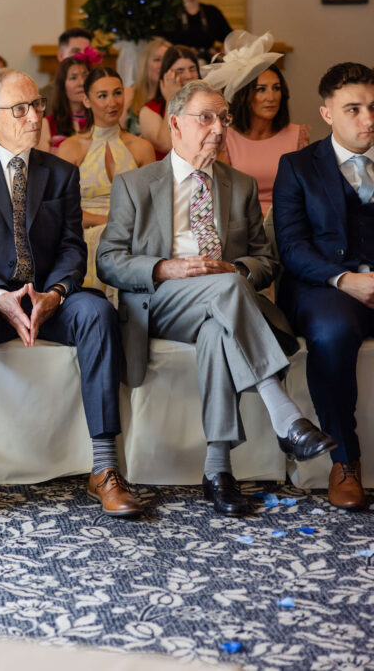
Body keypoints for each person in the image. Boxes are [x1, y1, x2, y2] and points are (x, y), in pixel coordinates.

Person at [97, 80, 336, 517]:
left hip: (223, 306)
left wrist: (238, 271)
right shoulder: (136, 183)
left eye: (224, 118)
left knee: (216, 328)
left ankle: (218, 470)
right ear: (175, 124)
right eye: (205, 117)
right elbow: (109, 261)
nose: (218, 128)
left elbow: (265, 261)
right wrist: (164, 267)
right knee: (225, 291)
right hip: (161, 300)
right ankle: (283, 412)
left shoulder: (240, 185)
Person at [0, 69, 135, 524]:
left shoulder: (61, 173)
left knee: (98, 311)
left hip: (48, 295)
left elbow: (71, 246)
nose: (33, 116)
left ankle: (104, 467)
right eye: (19, 109)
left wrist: (57, 293)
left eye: (37, 105)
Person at [273, 62, 374, 510]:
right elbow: (291, 248)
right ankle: (345, 461)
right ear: (327, 113)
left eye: (373, 107)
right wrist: (345, 279)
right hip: (324, 287)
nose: (368, 119)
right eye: (353, 109)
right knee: (331, 333)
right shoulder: (297, 166)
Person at [57, 67, 154, 303]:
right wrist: (107, 222)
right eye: (102, 96)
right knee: (101, 236)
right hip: (86, 232)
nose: (112, 102)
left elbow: (152, 205)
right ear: (86, 101)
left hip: (132, 233)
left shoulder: (141, 147)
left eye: (117, 93)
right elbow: (61, 211)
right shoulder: (72, 148)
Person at [204, 31, 309, 216]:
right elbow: (220, 196)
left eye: (276, 88)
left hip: (288, 224)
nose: (271, 97)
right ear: (245, 97)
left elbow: (306, 194)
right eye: (261, 90)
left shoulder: (297, 135)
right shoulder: (226, 139)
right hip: (240, 225)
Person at [139, 45, 200, 160]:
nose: (188, 76)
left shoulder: (206, 104)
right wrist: (171, 99)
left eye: (192, 69)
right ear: (167, 75)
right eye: (180, 71)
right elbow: (166, 145)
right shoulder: (149, 110)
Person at [164, 0, 232, 61]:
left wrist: (221, 54)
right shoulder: (171, 15)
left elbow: (231, 39)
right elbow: (162, 43)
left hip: (209, 64)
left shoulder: (212, 12)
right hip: (180, 63)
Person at [45, 56, 90, 152]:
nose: (81, 83)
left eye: (85, 76)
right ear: (62, 86)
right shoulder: (48, 124)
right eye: (73, 78)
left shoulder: (100, 121)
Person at [125, 38, 169, 135]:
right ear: (146, 63)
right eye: (157, 60)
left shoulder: (177, 98)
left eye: (166, 60)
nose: (162, 65)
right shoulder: (129, 95)